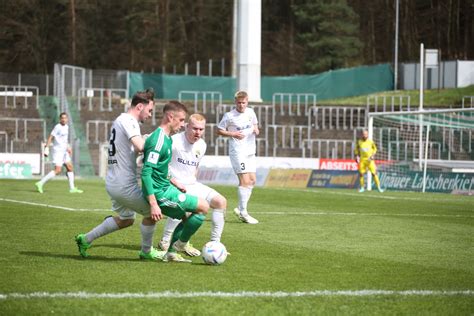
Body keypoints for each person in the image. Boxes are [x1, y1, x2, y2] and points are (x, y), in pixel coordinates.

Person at [75, 89, 163, 260]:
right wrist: (157, 137)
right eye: (150, 110)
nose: (150, 114)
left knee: (127, 219)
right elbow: (140, 146)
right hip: (124, 185)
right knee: (153, 212)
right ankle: (146, 252)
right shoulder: (129, 120)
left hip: (114, 182)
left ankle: (85, 239)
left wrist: (147, 138)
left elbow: (132, 149)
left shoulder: (121, 120)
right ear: (139, 106)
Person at [141, 101, 210, 263]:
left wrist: (174, 181)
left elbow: (162, 169)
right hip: (159, 193)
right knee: (203, 207)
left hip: (167, 187)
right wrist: (153, 203)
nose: (182, 124)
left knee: (189, 216)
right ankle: (179, 245)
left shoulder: (167, 139)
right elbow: (145, 173)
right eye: (181, 120)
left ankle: (171, 252)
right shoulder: (158, 140)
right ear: (170, 117)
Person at [157, 113, 227, 252]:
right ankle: (166, 240)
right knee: (184, 205)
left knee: (221, 202)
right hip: (174, 184)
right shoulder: (174, 141)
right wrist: (173, 182)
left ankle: (215, 244)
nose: (198, 132)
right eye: (194, 128)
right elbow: (161, 165)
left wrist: (192, 182)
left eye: (201, 129)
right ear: (187, 127)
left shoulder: (202, 145)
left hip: (192, 183)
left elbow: (195, 167)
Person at [217, 90, 259, 224]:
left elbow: (255, 125)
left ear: (247, 102)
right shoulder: (229, 116)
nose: (241, 105)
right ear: (235, 102)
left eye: (244, 102)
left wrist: (256, 129)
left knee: (252, 180)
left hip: (250, 150)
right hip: (238, 152)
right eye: (239, 102)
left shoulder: (251, 112)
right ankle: (243, 212)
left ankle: (241, 209)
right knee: (245, 181)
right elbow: (219, 130)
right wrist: (233, 134)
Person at [35, 112, 83, 194]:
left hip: (64, 151)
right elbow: (50, 137)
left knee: (70, 167)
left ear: (67, 119)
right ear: (60, 119)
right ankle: (40, 183)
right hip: (58, 152)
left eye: (65, 118)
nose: (64, 119)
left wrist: (68, 147)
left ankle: (72, 188)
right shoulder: (57, 127)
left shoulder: (67, 127)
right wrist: (46, 148)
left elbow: (64, 139)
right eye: (62, 118)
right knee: (58, 170)